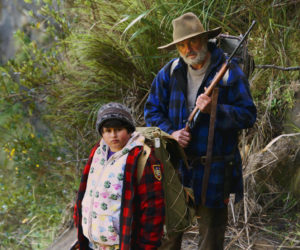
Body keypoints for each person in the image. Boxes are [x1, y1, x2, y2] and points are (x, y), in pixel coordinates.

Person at [144, 12, 257, 250]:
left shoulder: (229, 72)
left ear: (205, 39)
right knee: (168, 237)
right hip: (177, 168)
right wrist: (170, 134)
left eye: (193, 41)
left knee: (211, 240)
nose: (188, 49)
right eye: (182, 45)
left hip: (215, 168)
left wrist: (215, 109)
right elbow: (152, 111)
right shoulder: (170, 71)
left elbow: (248, 115)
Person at [73, 102, 165, 250]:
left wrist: (147, 246)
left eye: (118, 129)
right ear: (101, 133)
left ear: (129, 130)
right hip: (92, 244)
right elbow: (85, 190)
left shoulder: (141, 158)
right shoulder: (97, 151)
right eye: (108, 130)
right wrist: (79, 220)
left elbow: (153, 208)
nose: (113, 135)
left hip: (122, 245)